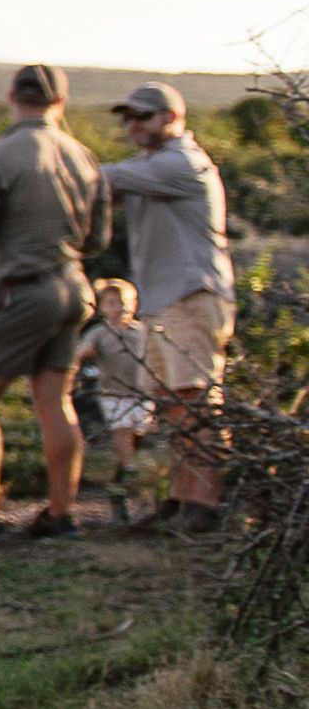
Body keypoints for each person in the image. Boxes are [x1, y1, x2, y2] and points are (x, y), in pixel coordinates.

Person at [0, 62, 110, 542]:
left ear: (11, 96)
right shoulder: (83, 155)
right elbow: (98, 239)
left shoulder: (0, 154)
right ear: (61, 101)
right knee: (55, 399)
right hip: (74, 286)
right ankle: (60, 514)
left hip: (23, 289)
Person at [100, 81, 237, 531]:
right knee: (171, 404)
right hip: (163, 301)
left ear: (172, 117)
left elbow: (104, 179)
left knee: (196, 401)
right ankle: (180, 501)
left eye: (142, 116)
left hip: (190, 298)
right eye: (128, 118)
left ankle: (205, 505)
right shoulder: (152, 166)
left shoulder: (181, 163)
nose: (132, 125)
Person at [77, 278, 159, 525]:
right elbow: (82, 350)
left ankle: (122, 478)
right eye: (112, 303)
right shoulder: (99, 333)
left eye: (123, 302)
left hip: (141, 393)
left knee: (138, 433)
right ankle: (129, 469)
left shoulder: (141, 332)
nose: (119, 308)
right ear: (102, 307)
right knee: (122, 431)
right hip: (113, 394)